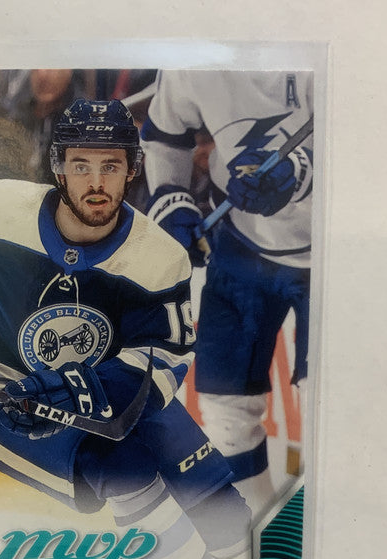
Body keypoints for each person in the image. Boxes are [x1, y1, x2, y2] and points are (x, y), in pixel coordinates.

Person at [0, 99, 253, 559]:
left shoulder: (159, 258)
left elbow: (163, 359)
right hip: (3, 394)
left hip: (113, 390)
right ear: (58, 167)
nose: (96, 182)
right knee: (125, 468)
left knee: (212, 489)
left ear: (132, 170)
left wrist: (80, 386)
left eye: (111, 166)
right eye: (81, 166)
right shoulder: (0, 210)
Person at [141, 70, 314, 522]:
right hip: (239, 247)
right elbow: (164, 133)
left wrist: (300, 172)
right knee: (225, 409)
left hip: (334, 248)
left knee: (327, 403)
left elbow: (378, 139)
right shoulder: (191, 61)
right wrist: (171, 197)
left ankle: (332, 539)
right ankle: (258, 536)